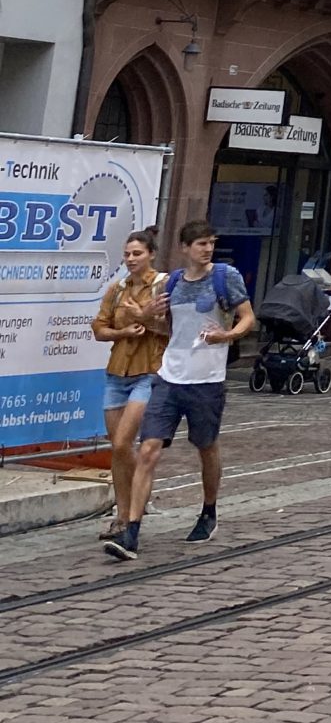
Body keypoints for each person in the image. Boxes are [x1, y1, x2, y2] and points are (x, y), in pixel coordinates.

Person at [105, 220, 256, 561]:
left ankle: (208, 510)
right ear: (185, 248)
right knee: (148, 449)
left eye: (210, 243)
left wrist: (228, 336)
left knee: (206, 447)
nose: (207, 249)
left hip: (207, 380)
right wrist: (147, 313)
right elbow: (162, 327)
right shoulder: (172, 282)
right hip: (170, 377)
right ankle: (131, 532)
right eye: (201, 244)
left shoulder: (225, 277)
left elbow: (248, 318)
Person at [90, 227, 166, 539]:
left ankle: (137, 501)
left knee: (123, 442)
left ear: (151, 254)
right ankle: (123, 516)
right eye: (127, 254)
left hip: (148, 372)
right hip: (116, 373)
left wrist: (145, 318)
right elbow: (99, 327)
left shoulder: (163, 286)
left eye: (137, 253)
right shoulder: (117, 289)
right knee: (118, 449)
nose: (131, 259)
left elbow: (173, 329)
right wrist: (123, 332)